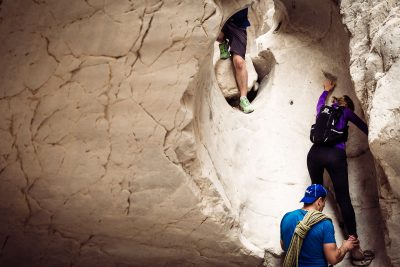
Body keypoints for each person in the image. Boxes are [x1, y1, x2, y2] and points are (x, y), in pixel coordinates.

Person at [307, 80, 374, 265]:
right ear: (347, 105)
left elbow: (320, 102)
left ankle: (313, 245)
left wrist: (326, 90)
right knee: (343, 199)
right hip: (334, 156)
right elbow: (364, 126)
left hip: (314, 154)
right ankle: (356, 251)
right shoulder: (346, 112)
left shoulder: (323, 109)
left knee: (316, 200)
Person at [280, 184, 359, 267]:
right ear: (320, 201)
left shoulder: (287, 217)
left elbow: (283, 246)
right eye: (324, 203)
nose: (323, 206)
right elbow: (333, 259)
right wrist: (345, 247)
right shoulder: (324, 223)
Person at [217, 8, 254, 113]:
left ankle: (243, 99)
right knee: (218, 35)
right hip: (222, 20)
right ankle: (223, 43)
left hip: (238, 24)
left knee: (239, 62)